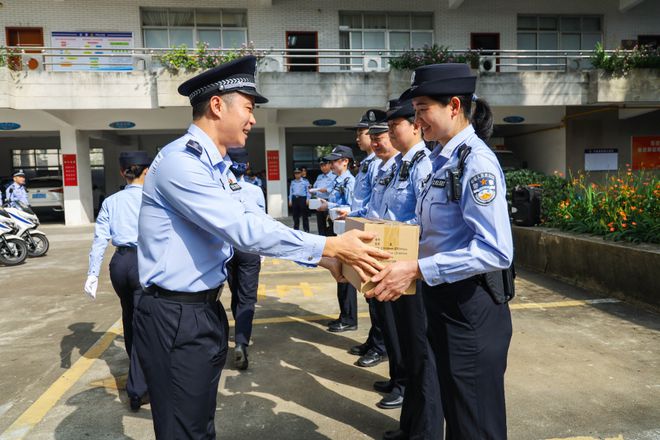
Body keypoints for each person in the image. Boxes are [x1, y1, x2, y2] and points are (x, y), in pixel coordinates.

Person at [135, 55, 389, 440]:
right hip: (175, 316)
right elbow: (243, 230)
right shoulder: (180, 163)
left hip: (201, 310)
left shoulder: (214, 165)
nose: (253, 120)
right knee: (183, 430)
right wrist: (333, 245)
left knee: (199, 424)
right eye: (249, 108)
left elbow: (258, 222)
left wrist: (322, 257)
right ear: (218, 105)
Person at [368, 63, 514, 439]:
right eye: (414, 112)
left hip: (471, 309)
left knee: (475, 424)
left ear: (453, 105)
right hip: (446, 305)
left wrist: (417, 269)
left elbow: (496, 251)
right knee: (458, 416)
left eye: (422, 110)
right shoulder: (439, 161)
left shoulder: (475, 162)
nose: (417, 121)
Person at [378, 98, 442, 440]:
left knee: (422, 355)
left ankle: (426, 432)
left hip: (414, 269)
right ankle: (411, 427)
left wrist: (390, 235)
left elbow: (424, 221)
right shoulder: (401, 165)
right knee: (408, 351)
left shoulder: (424, 165)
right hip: (396, 266)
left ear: (415, 126)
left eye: (395, 126)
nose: (390, 132)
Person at [341, 113, 405, 410]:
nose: (377, 141)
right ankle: (396, 378)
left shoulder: (407, 165)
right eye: (375, 137)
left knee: (398, 326)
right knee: (384, 318)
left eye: (382, 136)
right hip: (377, 248)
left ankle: (403, 382)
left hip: (398, 256)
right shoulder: (382, 167)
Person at [84, 151, 150, 412]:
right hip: (145, 263)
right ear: (146, 171)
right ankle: (138, 389)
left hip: (120, 264)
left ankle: (137, 376)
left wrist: (92, 274)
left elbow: (100, 239)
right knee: (146, 324)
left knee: (130, 319)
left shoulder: (111, 201)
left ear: (123, 172)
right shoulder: (154, 198)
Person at [345, 110, 387, 368]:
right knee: (370, 295)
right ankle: (374, 339)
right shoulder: (370, 163)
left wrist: (354, 215)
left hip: (375, 232)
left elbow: (373, 203)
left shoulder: (380, 164)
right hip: (362, 228)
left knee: (379, 296)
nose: (361, 138)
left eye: (362, 133)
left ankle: (380, 345)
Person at [225, 148, 265, 371]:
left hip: (228, 247)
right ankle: (241, 341)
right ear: (246, 167)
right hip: (250, 247)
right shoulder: (255, 190)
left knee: (235, 292)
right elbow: (263, 223)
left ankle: (237, 328)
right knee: (247, 297)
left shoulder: (221, 188)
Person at [317, 145, 357, 333]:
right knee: (339, 272)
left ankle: (349, 318)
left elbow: (350, 206)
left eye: (334, 161)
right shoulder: (337, 180)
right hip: (335, 228)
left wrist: (329, 205)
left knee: (345, 274)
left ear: (345, 161)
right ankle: (344, 315)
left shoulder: (349, 181)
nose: (331, 164)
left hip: (345, 231)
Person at [310, 157, 335, 236]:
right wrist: (312, 190)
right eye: (321, 166)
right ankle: (322, 238)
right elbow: (315, 186)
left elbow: (336, 188)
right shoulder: (319, 177)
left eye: (325, 165)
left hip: (329, 201)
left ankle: (331, 238)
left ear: (330, 164)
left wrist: (326, 190)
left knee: (331, 222)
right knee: (320, 222)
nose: (323, 167)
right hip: (319, 201)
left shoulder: (334, 175)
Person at [288, 168, 310, 232]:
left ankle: (306, 229)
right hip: (295, 199)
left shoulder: (305, 182)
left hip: (302, 199)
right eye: (295, 173)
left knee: (304, 215)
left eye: (298, 173)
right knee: (295, 215)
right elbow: (291, 192)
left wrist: (308, 199)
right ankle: (296, 229)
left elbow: (308, 191)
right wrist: (290, 200)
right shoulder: (292, 182)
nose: (297, 175)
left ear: (301, 173)